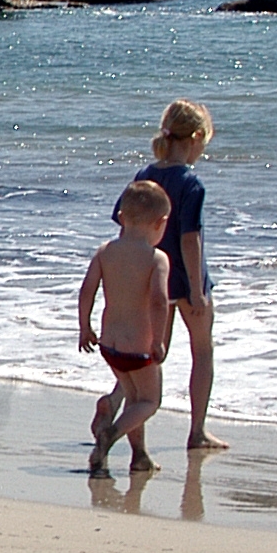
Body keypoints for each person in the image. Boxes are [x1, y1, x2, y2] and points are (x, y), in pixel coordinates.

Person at [121, 99, 228, 451]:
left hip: (151, 277)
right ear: (195, 138)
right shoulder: (190, 183)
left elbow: (126, 228)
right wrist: (196, 290)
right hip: (184, 277)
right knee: (202, 351)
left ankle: (116, 404)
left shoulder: (145, 176)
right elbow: (189, 239)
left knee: (148, 354)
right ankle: (197, 431)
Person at [79, 179, 174, 476]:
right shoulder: (157, 259)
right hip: (139, 348)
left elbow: (87, 290)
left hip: (110, 345)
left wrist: (84, 327)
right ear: (161, 223)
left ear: (121, 217)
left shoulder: (105, 251)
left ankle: (139, 456)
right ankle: (110, 435)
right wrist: (158, 341)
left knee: (133, 400)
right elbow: (159, 301)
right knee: (149, 401)